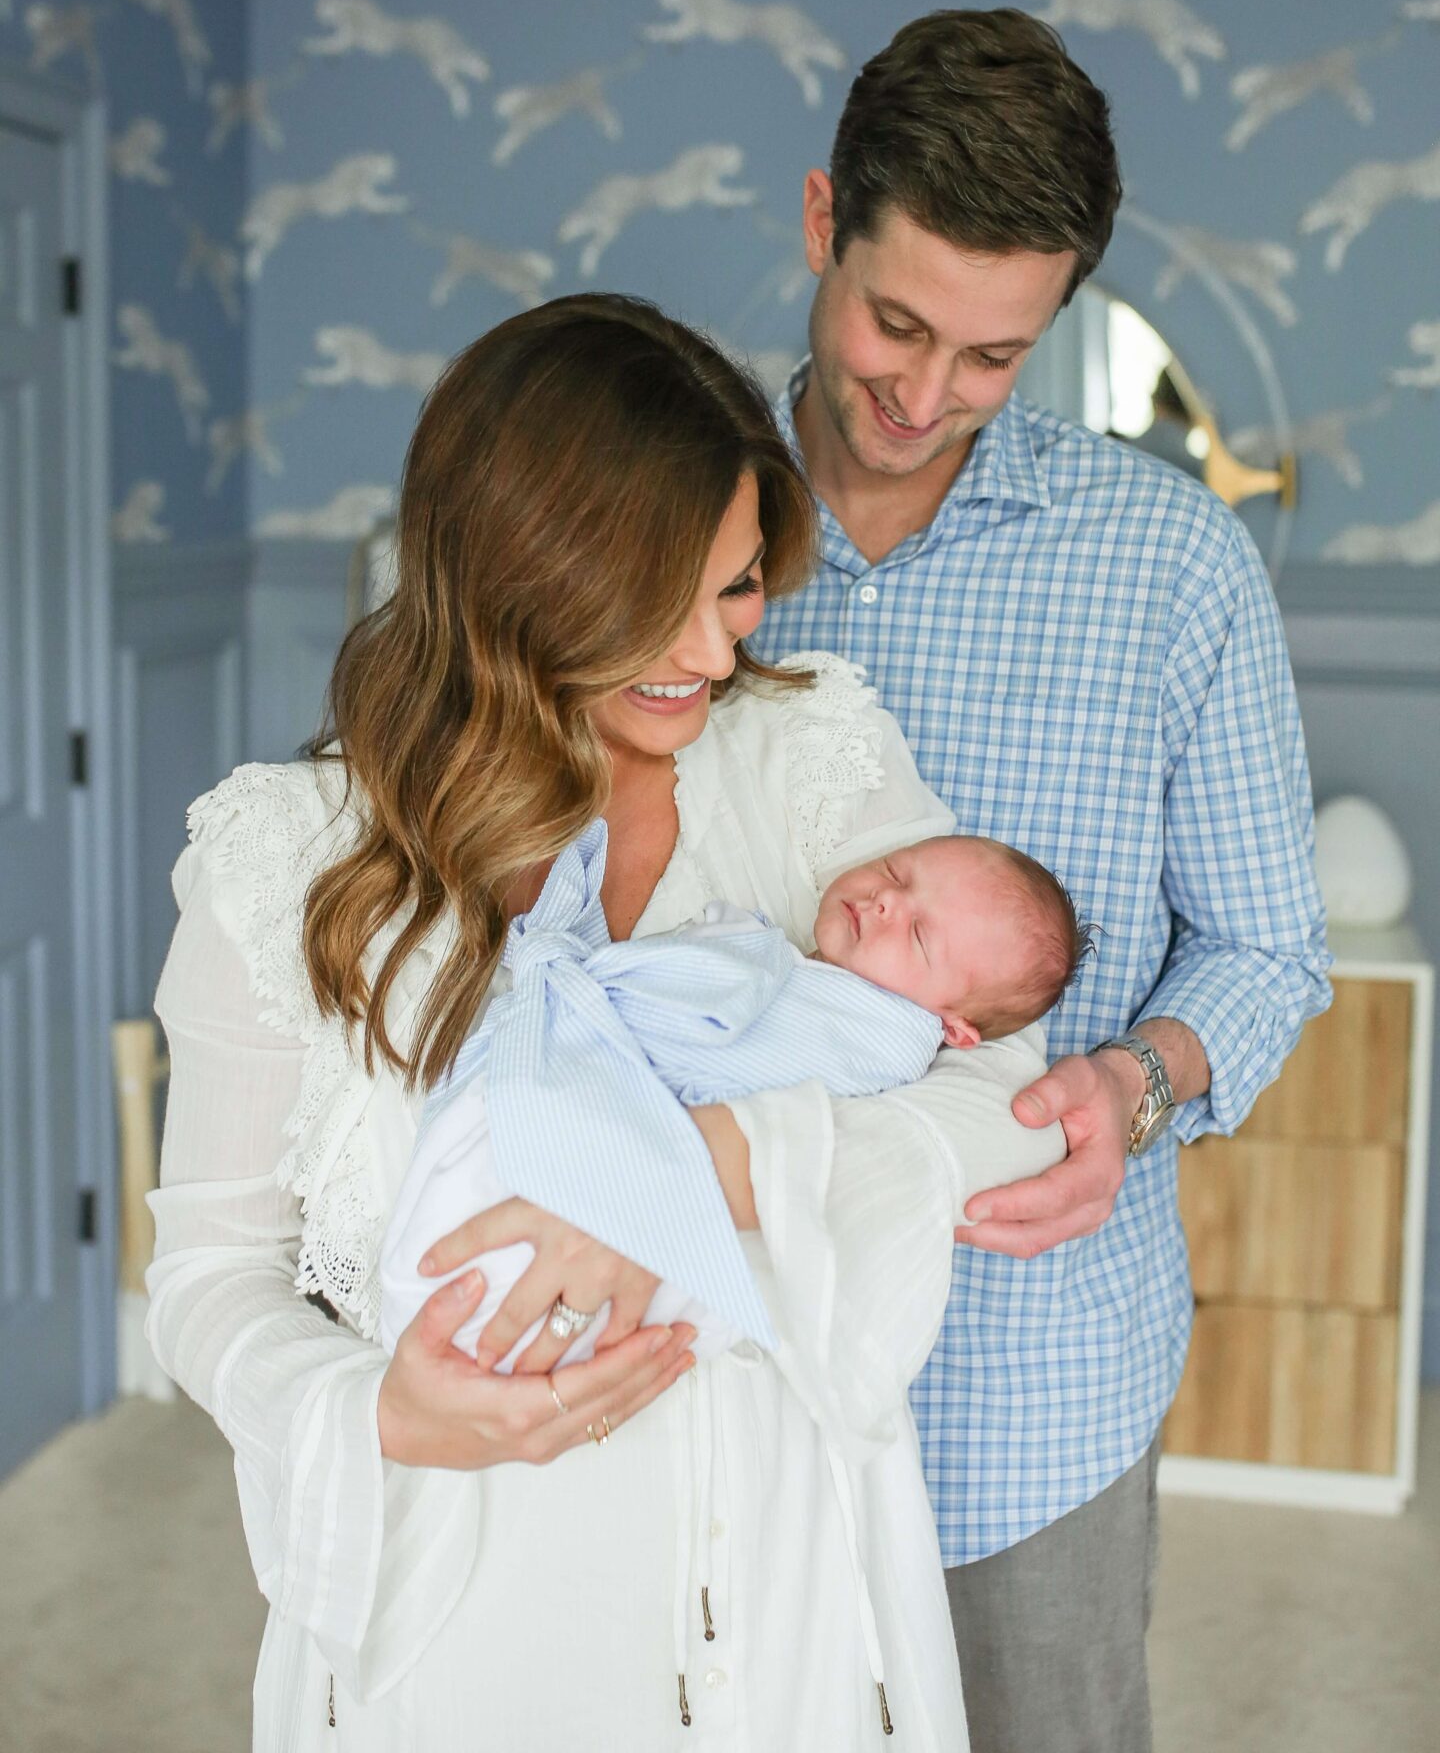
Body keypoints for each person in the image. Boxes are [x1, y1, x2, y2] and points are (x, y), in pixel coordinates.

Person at [146, 293, 1064, 1753]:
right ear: (524, 571)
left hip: (781, 1588)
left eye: (744, 586)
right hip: (472, 1615)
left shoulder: (811, 753)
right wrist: (380, 1413)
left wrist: (694, 1169)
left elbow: (997, 1085)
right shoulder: (288, 863)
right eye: (665, 600)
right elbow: (204, 1277)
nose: (713, 653)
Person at [754, 7, 1333, 1753]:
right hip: (721, 1363)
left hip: (1030, 1397)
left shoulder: (1174, 565)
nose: (924, 398)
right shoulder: (663, 510)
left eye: (993, 358)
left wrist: (1132, 1083)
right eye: (896, 322)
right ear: (820, 225)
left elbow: (1269, 953)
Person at [380, 824, 1091, 1367]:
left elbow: (714, 1057)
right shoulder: (792, 967)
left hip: (639, 1189)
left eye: (917, 934)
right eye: (899, 872)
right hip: (590, 1133)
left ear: (954, 1030)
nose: (884, 900)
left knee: (488, 1237)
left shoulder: (879, 1035)